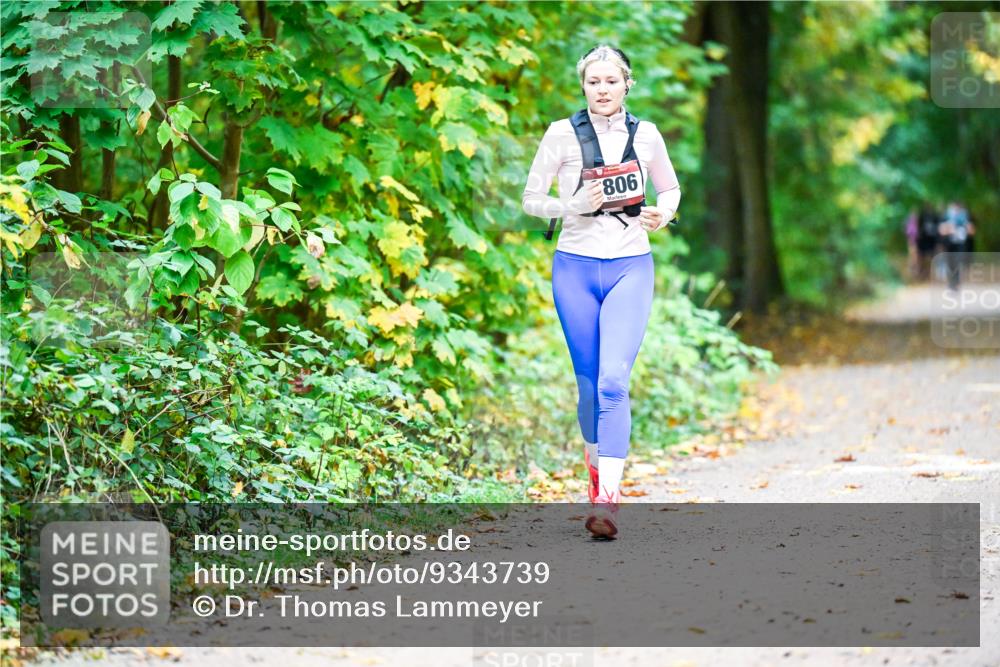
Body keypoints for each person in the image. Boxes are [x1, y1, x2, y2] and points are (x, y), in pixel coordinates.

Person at [521, 45, 681, 539]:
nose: (603, 89)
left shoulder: (647, 135)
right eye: (594, 82)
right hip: (574, 269)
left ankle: (608, 504)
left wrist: (663, 214)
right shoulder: (560, 134)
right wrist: (571, 205)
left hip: (631, 267)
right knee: (589, 384)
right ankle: (595, 477)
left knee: (614, 381)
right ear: (584, 85)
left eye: (611, 81)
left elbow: (670, 189)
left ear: (626, 83)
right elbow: (531, 201)